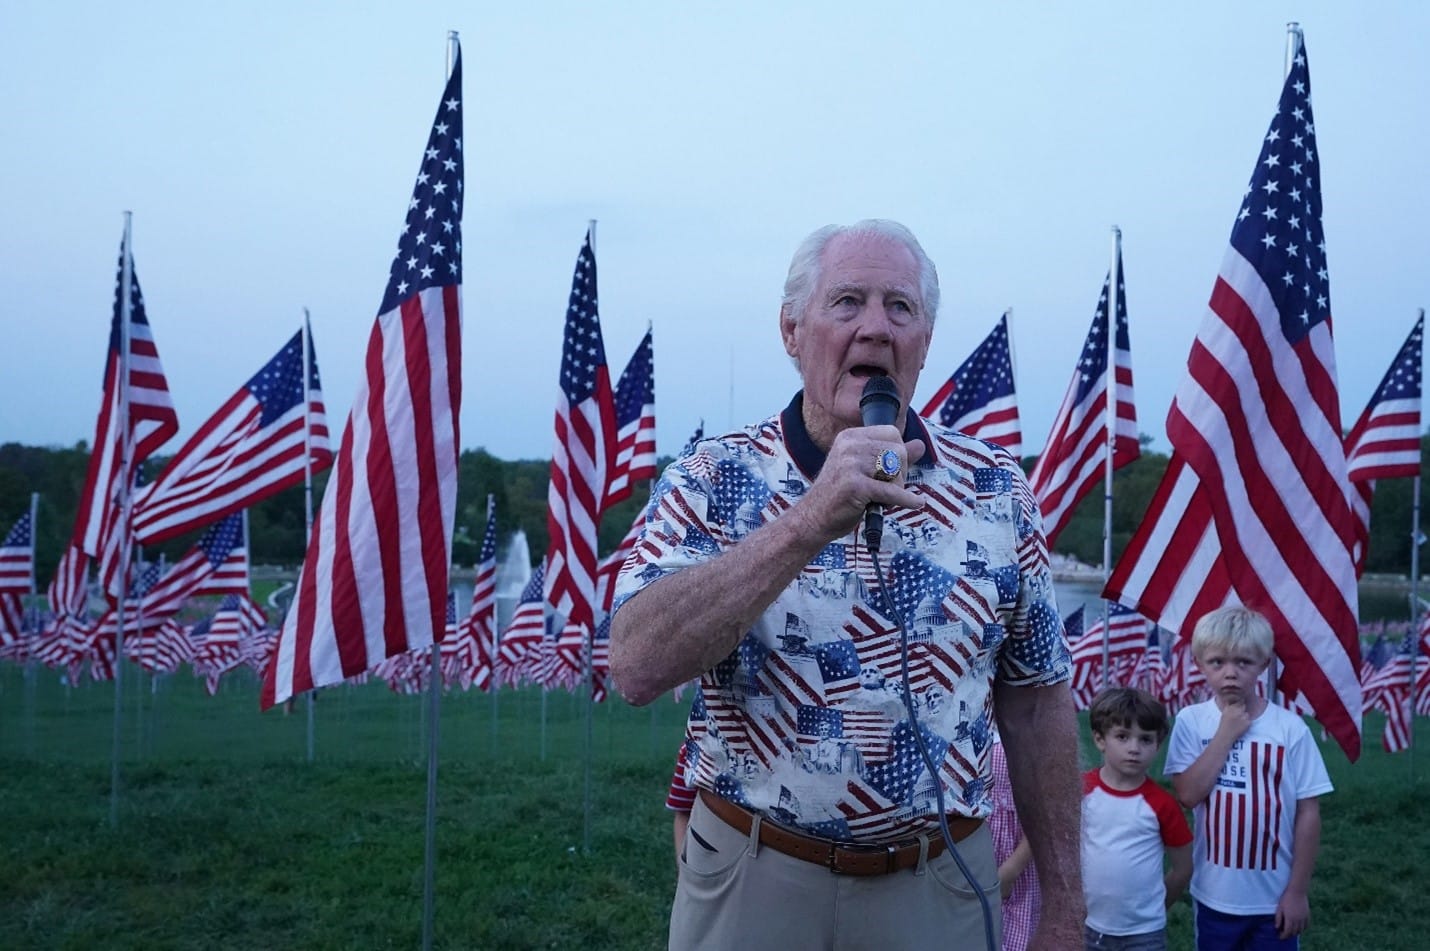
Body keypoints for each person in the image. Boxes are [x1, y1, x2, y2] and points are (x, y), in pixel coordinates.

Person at [609, 219, 1083, 950]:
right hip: (755, 877)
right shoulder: (710, 478)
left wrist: (1064, 900)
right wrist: (808, 520)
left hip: (939, 884)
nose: (874, 328)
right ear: (792, 330)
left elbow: (1037, 700)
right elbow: (637, 665)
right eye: (847, 302)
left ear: (925, 338)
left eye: (900, 307)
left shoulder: (997, 490)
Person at [1163, 607, 1332, 950]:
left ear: (1264, 664)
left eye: (1243, 662)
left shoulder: (1290, 729)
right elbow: (1189, 794)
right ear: (1198, 662)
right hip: (1214, 894)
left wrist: (1297, 891)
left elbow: (1308, 813)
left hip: (1274, 899)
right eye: (1217, 662)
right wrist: (1226, 734)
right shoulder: (1192, 722)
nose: (1230, 674)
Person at [1081, 687, 1192, 950]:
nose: (1134, 748)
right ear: (1099, 739)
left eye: (1145, 740)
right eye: (1122, 736)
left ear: (1157, 745)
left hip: (1144, 934)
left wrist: (1154, 909)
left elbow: (1183, 867)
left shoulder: (1162, 805)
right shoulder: (1081, 792)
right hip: (1089, 926)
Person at [988, 728, 1038, 951]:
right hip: (973, 851)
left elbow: (1044, 810)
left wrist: (1013, 868)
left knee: (1014, 932)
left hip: (1016, 859)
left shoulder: (1029, 734)